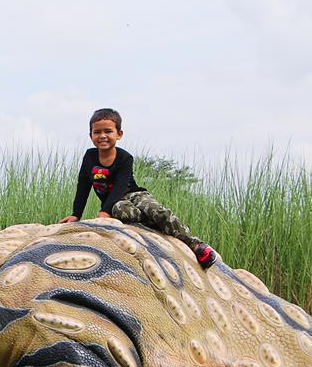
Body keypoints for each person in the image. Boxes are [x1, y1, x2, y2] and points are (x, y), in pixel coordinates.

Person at [58, 108, 218, 269]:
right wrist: (76, 214)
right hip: (116, 202)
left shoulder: (125, 158)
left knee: (158, 211)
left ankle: (195, 245)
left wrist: (104, 211)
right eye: (97, 132)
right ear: (91, 135)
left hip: (134, 194)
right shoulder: (89, 157)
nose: (102, 136)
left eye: (108, 131)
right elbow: (83, 185)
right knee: (122, 210)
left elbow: (120, 186)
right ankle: (152, 226)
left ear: (119, 134)